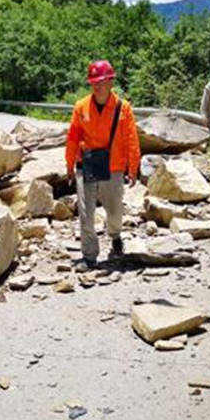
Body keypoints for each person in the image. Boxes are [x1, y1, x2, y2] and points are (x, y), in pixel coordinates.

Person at [66, 60, 140, 271]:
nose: (96, 86)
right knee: (86, 213)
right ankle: (89, 256)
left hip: (113, 165)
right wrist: (69, 163)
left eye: (100, 82)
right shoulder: (81, 107)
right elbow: (73, 137)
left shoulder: (123, 108)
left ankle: (115, 235)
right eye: (93, 82)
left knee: (115, 210)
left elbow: (132, 140)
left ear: (110, 82)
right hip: (87, 164)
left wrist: (133, 167)